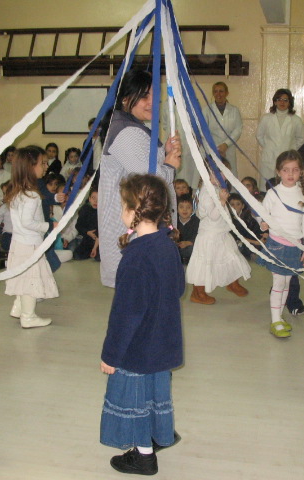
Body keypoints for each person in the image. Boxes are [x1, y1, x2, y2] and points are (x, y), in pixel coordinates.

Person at [100, 174, 184, 476]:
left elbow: (125, 315)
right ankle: (158, 434)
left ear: (133, 210)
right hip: (163, 339)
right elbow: (178, 288)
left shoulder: (135, 257)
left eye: (123, 203)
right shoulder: (167, 244)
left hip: (140, 346)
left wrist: (110, 355)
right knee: (154, 392)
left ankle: (144, 457)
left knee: (135, 397)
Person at [98, 69, 181, 288]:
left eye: (155, 96)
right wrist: (170, 166)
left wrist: (165, 151)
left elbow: (142, 163)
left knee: (141, 288)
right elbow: (150, 180)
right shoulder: (126, 132)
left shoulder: (129, 126)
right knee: (139, 287)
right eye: (145, 96)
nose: (153, 102)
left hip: (138, 222)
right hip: (135, 225)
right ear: (126, 99)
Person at [256, 150, 304, 337]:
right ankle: (275, 321)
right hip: (278, 245)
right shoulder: (273, 194)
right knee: (279, 283)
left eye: (295, 170)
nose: (290, 174)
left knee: (287, 282)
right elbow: (261, 214)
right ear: (278, 172)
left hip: (295, 246)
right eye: (286, 170)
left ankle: (279, 318)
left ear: (301, 172)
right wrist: (262, 223)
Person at [4, 146, 59, 328]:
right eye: (42, 163)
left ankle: (18, 308)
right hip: (30, 245)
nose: (46, 167)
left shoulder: (17, 190)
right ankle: (28, 316)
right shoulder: (32, 195)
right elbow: (28, 222)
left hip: (19, 243)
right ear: (30, 166)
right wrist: (49, 225)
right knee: (30, 280)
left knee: (23, 277)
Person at [187, 160, 251, 305]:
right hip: (209, 236)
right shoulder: (206, 192)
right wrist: (222, 201)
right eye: (216, 173)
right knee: (204, 264)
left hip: (221, 233)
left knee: (231, 256)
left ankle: (232, 282)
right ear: (207, 173)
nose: (221, 176)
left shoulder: (217, 188)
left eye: (224, 173)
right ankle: (198, 292)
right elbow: (214, 216)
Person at [256, 89, 304, 190]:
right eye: (279, 99)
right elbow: (259, 136)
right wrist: (269, 147)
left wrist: (290, 149)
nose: (282, 102)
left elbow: (301, 138)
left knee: (286, 187)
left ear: (290, 102)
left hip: (287, 159)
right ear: (275, 101)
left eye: (285, 100)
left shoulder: (296, 120)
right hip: (269, 159)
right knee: (267, 188)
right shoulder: (266, 118)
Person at [202, 81, 243, 176]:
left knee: (229, 175)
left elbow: (238, 129)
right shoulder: (207, 110)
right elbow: (203, 130)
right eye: (215, 91)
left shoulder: (234, 110)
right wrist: (215, 148)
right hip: (211, 148)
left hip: (228, 148)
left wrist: (226, 144)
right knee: (211, 175)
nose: (218, 94)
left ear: (227, 93)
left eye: (221, 91)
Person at [74, 188, 99, 260]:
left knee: (99, 257)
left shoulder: (103, 211)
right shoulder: (85, 209)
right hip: (87, 238)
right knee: (77, 255)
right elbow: (78, 226)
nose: (95, 201)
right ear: (89, 199)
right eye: (93, 198)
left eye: (98, 198)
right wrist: (87, 232)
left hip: (99, 240)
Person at [175, 193, 198, 264]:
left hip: (189, 247)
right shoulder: (174, 221)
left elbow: (198, 236)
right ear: (177, 209)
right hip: (177, 248)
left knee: (193, 249)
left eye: (188, 207)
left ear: (192, 209)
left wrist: (189, 242)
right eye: (181, 207)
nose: (185, 210)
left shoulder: (196, 221)